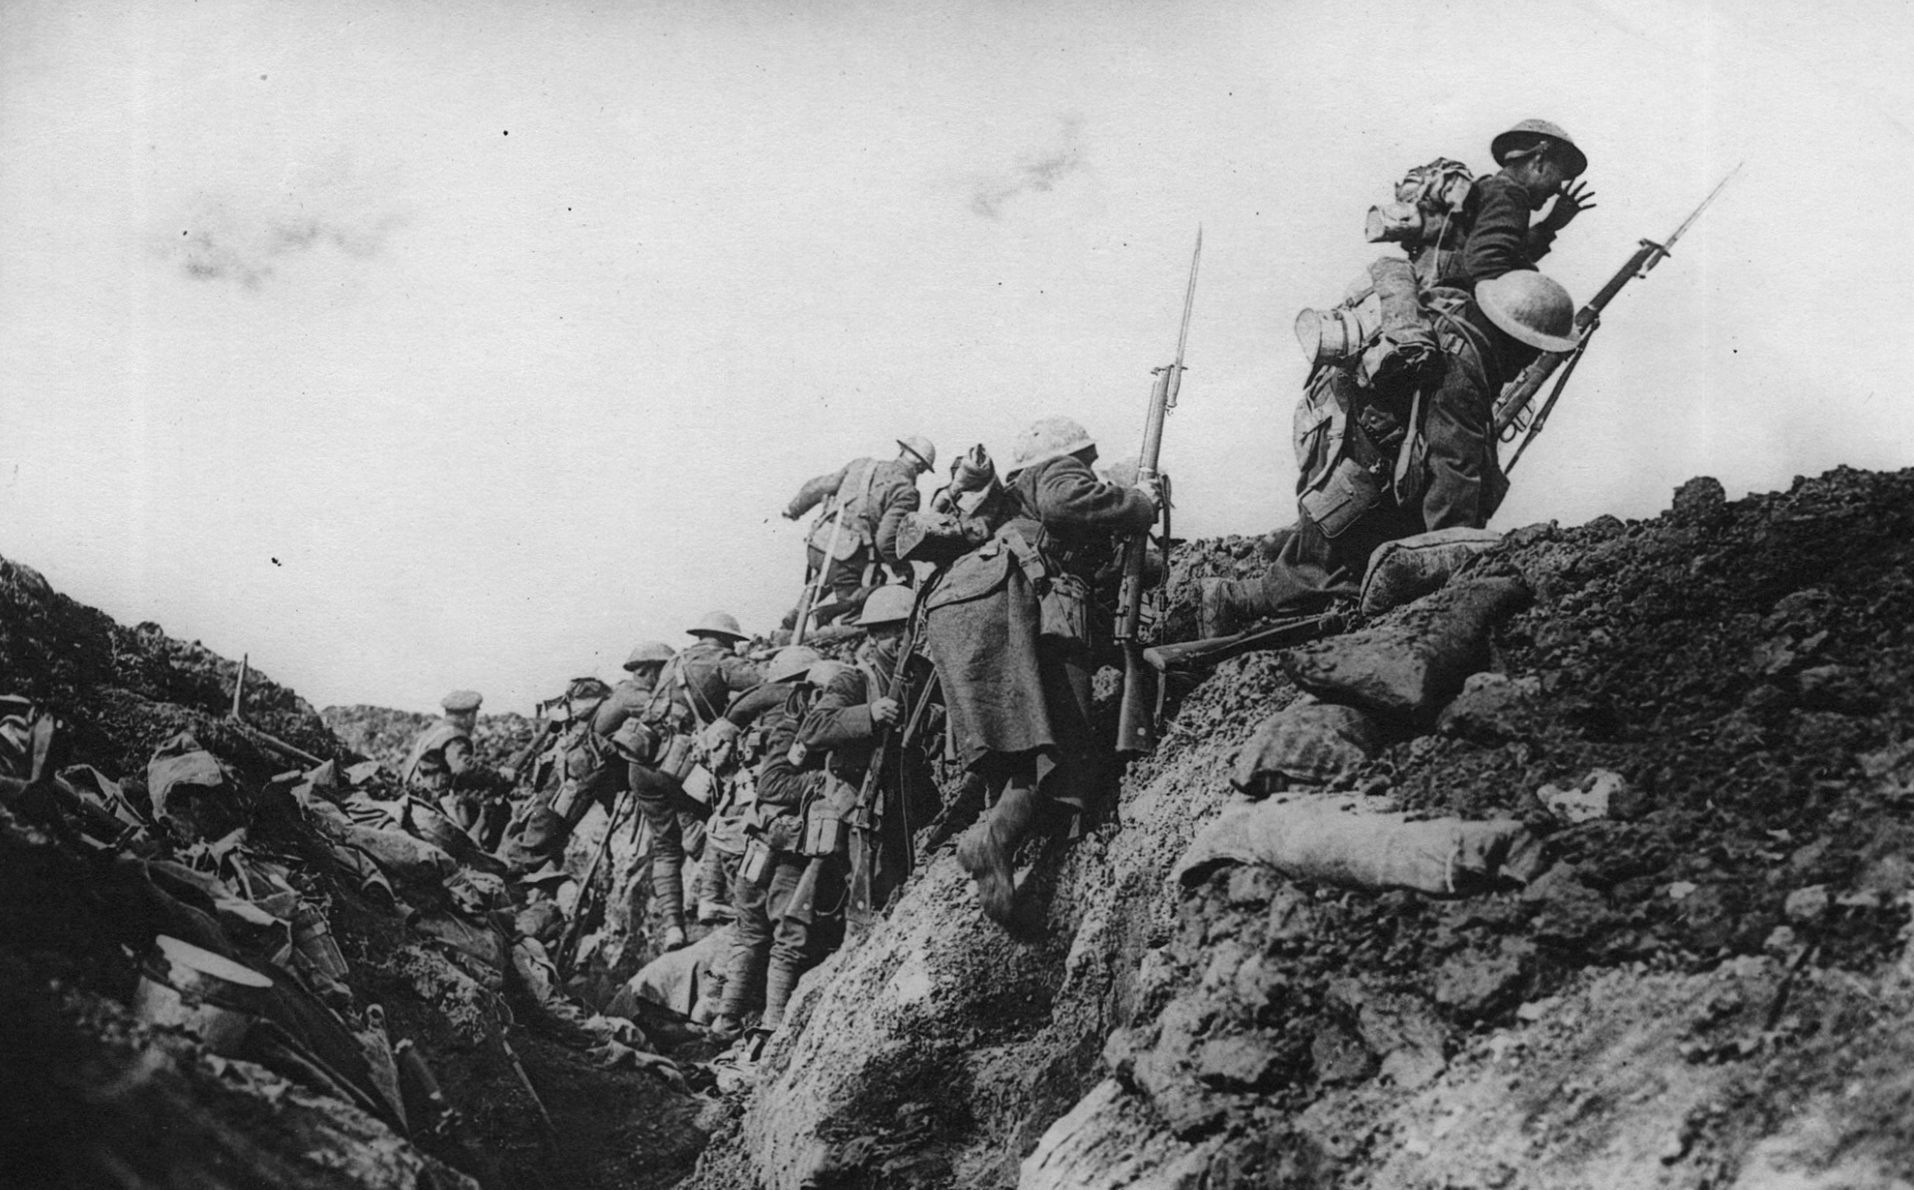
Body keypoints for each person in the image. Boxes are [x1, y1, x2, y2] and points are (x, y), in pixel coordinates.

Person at [1202, 269, 1579, 635]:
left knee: (1342, 550)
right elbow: (1454, 475)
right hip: (1354, 465)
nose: (1528, 364)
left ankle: (1286, 555)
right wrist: (1457, 560)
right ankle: (1231, 601)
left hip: (1337, 431)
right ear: (1515, 341)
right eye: (1533, 352)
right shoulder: (1461, 371)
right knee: (1330, 576)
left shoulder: (1456, 311)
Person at [922, 416, 1158, 924]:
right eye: (1087, 462)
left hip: (969, 604)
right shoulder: (1056, 472)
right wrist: (1138, 503)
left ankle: (999, 843)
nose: (1088, 471)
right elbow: (1064, 500)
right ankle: (993, 841)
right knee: (1060, 737)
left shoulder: (1011, 494)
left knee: (1023, 741)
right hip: (1011, 595)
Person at [798, 584, 942, 921]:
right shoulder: (854, 680)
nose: (898, 640)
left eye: (903, 630)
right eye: (887, 632)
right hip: (865, 801)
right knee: (877, 890)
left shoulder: (922, 672)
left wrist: (936, 718)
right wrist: (869, 714)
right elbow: (814, 729)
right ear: (872, 638)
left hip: (911, 794)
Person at [708, 645, 825, 1040]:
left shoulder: (751, 715)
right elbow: (775, 783)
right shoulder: (798, 718)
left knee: (750, 930)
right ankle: (771, 1022)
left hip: (753, 835)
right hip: (791, 837)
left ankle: (725, 1019)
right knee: (788, 929)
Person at [783, 435, 937, 628]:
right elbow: (885, 541)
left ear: (903, 452)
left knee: (828, 576)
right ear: (920, 466)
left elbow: (819, 486)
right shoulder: (906, 492)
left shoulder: (862, 465)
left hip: (818, 545)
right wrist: (903, 569)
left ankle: (796, 615)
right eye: (922, 470)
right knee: (858, 609)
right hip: (845, 559)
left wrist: (793, 509)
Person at [1432, 119, 1594, 291]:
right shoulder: (1510, 193)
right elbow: (1486, 265)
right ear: (1539, 160)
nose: (1557, 190)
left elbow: (1510, 255)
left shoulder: (1492, 188)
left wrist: (1550, 225)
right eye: (1559, 177)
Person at [402, 690, 512, 839]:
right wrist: (499, 778)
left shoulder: (435, 730)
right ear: (469, 716)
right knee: (496, 808)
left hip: (413, 797)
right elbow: (463, 768)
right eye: (474, 715)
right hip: (434, 804)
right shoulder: (454, 736)